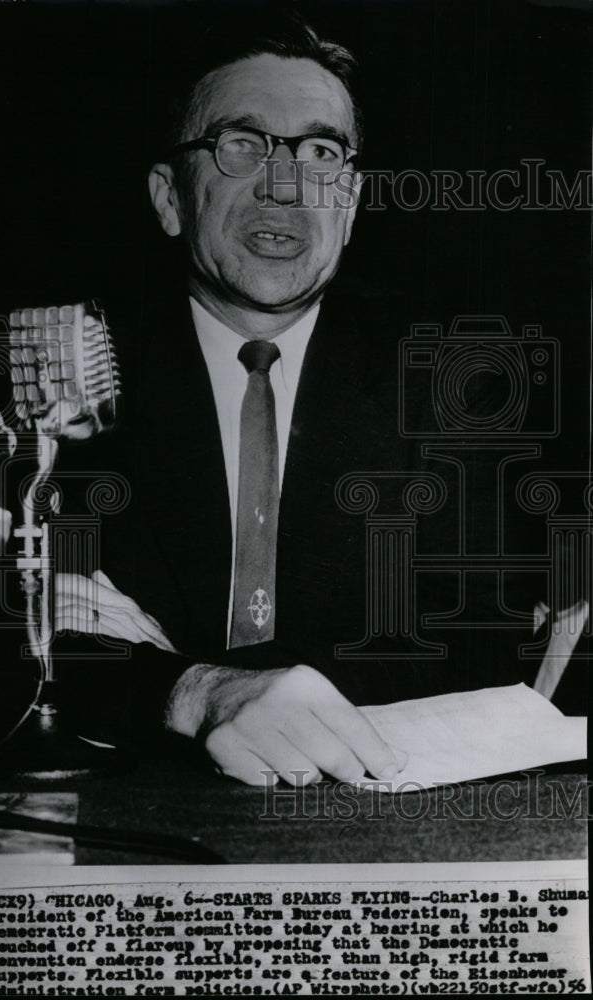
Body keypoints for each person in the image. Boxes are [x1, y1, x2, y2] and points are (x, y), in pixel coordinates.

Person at [52, 14, 541, 785]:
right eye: (241, 144)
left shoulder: (455, 384)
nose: (284, 185)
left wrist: (171, 672)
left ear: (348, 206)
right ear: (170, 197)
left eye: (320, 153)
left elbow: (475, 646)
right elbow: (20, 648)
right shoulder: (60, 379)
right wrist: (192, 691)